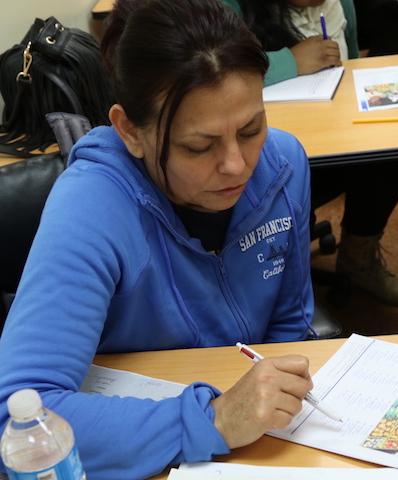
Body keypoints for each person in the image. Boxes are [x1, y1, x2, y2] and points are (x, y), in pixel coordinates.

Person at [0, 0, 318, 477]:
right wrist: (211, 419)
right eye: (199, 145)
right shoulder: (92, 204)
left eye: (251, 129)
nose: (237, 165)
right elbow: (19, 420)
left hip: (259, 444)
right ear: (129, 130)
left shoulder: (283, 164)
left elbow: (291, 328)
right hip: (147, 444)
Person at [226, 0, 398, 308]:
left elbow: (349, 69)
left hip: (325, 131)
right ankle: (277, 285)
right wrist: (290, 61)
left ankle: (358, 261)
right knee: (281, 185)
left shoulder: (338, 5)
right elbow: (215, 70)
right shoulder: (229, 8)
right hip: (257, 152)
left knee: (386, 159)